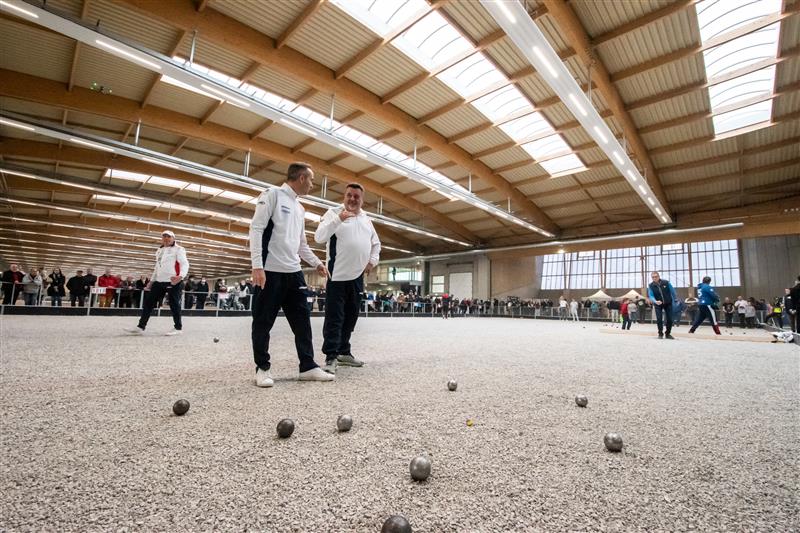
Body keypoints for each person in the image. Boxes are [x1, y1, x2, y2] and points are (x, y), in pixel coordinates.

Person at [249, 162, 333, 387]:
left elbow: (301, 243)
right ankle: (262, 368)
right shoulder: (272, 195)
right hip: (270, 271)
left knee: (302, 321)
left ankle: (308, 366)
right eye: (311, 180)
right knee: (263, 322)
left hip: (294, 272)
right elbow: (256, 228)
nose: (312, 185)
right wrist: (257, 266)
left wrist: (317, 263)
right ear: (302, 178)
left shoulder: (300, 208)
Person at [314, 182, 381, 373]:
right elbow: (319, 237)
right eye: (349, 195)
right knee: (334, 317)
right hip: (337, 276)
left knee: (351, 316)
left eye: (356, 196)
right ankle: (331, 356)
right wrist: (339, 219)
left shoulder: (366, 218)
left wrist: (371, 262)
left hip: (357, 277)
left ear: (362, 199)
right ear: (344, 197)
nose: (352, 199)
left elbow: (376, 244)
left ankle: (344, 352)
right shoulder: (333, 213)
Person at [125, 230, 190, 336]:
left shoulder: (179, 249)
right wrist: (151, 281)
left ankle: (178, 328)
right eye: (164, 237)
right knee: (148, 303)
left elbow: (184, 263)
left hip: (173, 281)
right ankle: (141, 326)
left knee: (174, 304)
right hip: (159, 281)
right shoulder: (160, 250)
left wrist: (181, 276)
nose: (166, 239)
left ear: (173, 238)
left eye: (169, 237)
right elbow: (157, 267)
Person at [648, 271, 677, 339]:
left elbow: (672, 291)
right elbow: (651, 295)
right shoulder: (651, 286)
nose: (654, 278)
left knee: (670, 319)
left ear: (659, 276)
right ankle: (660, 333)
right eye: (653, 277)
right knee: (659, 319)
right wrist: (655, 301)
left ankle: (668, 334)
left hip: (668, 303)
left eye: (656, 277)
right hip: (658, 304)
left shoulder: (666, 282)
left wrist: (675, 299)